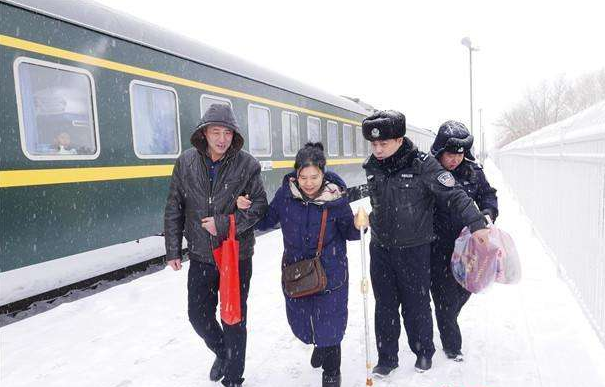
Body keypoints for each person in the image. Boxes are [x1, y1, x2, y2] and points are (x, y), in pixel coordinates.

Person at [361, 110, 489, 375]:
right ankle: (387, 359)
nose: (378, 149)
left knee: (415, 304)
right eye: (374, 144)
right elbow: (379, 203)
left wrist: (477, 223)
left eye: (383, 143)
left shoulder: (423, 165)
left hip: (414, 249)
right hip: (381, 247)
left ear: (399, 139)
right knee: (384, 305)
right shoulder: (371, 166)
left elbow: (455, 194)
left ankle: (423, 351)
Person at [237, 143, 360, 387]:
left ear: (323, 174)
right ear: (296, 175)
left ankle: (332, 373)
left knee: (330, 323)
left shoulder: (336, 197)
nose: (309, 182)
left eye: (314, 176)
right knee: (301, 321)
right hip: (296, 272)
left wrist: (358, 225)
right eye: (303, 177)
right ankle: (318, 344)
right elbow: (267, 221)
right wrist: (249, 208)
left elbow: (349, 231)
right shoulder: (286, 195)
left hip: (331, 270)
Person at [164, 104, 268, 387]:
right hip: (200, 254)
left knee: (234, 316)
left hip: (235, 255)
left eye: (227, 132)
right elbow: (175, 205)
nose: (222, 139)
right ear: (204, 133)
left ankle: (234, 377)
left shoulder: (247, 164)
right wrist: (173, 249)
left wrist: (223, 224)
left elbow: (259, 207)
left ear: (234, 135)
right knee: (197, 315)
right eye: (215, 132)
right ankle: (224, 353)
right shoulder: (185, 163)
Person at [429, 120, 498, 362]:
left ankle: (448, 316)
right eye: (450, 154)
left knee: (466, 289)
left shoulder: (473, 172)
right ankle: (452, 346)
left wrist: (488, 214)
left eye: (459, 154)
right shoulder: (428, 172)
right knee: (443, 298)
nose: (455, 160)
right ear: (439, 151)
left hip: (469, 246)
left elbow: (488, 196)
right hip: (437, 246)